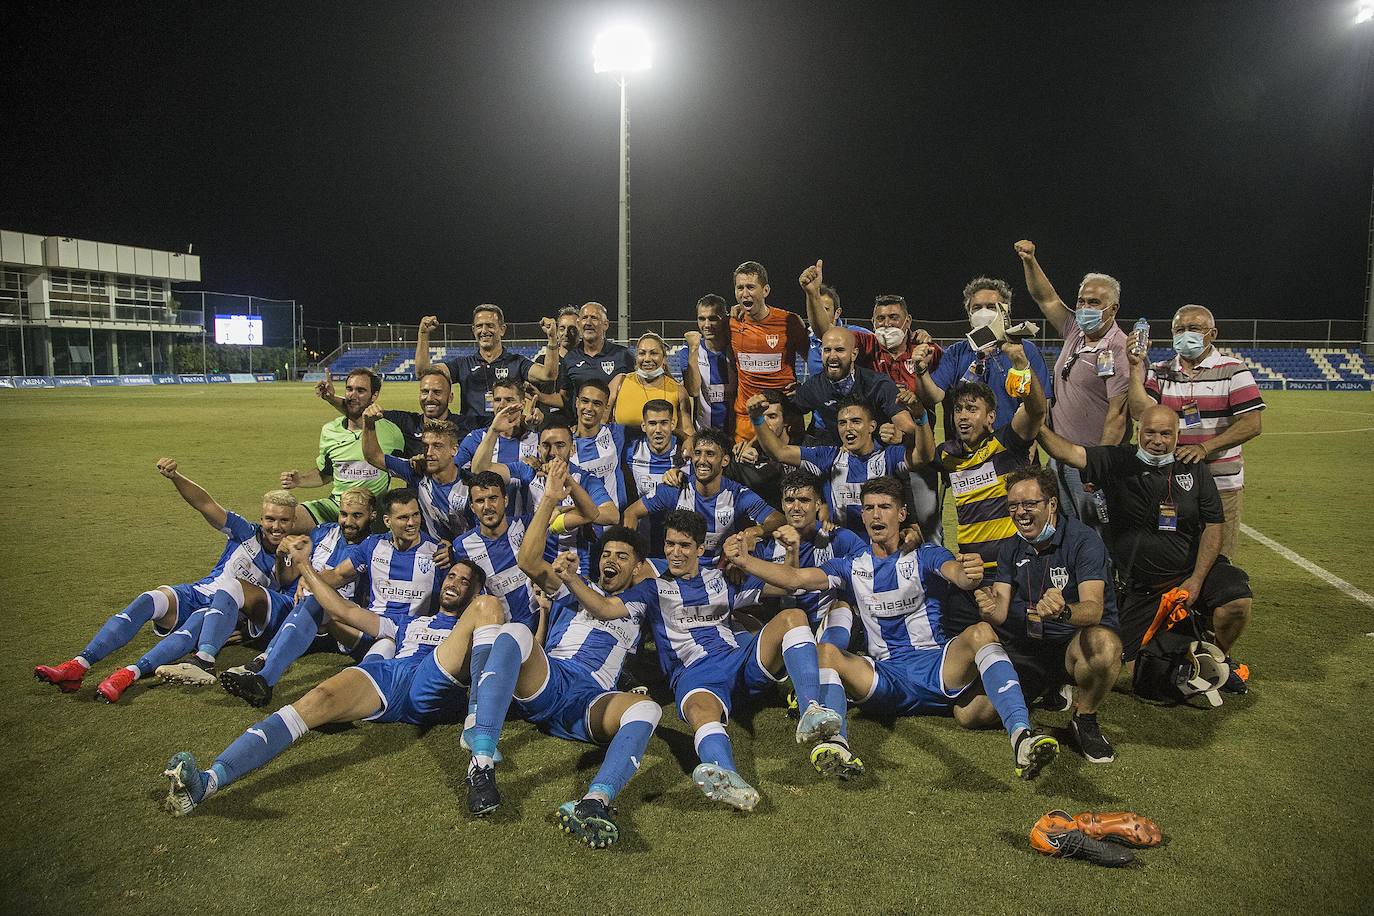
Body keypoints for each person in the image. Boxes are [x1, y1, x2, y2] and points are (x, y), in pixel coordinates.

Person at [723, 476, 1061, 782]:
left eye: (884, 507)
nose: (875, 515)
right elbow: (796, 579)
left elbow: (956, 574)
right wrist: (745, 561)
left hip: (939, 669)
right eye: (869, 508)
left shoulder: (927, 555)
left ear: (901, 514)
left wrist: (968, 575)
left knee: (980, 635)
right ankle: (836, 743)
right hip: (885, 678)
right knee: (825, 651)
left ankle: (1022, 737)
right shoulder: (851, 565)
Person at [159, 558, 500, 816]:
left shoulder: (477, 626)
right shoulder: (408, 623)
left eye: (465, 580)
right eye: (451, 576)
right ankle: (207, 783)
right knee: (316, 699)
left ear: (474, 590)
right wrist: (307, 567)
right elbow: (341, 608)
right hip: (393, 674)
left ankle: (477, 737)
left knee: (488, 609)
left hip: (437, 677)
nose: (454, 583)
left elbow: (504, 653)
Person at [461, 461, 661, 846]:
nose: (611, 561)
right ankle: (482, 762)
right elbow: (526, 561)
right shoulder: (574, 584)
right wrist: (551, 498)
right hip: (550, 679)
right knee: (516, 631)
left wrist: (570, 579)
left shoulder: (641, 600)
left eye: (622, 556)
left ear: (638, 568)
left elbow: (611, 608)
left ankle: (595, 800)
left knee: (648, 709)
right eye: (607, 554)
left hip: (591, 699)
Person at [593, 510, 842, 811]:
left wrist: (756, 559)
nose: (674, 552)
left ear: (700, 549)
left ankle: (811, 709)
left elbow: (788, 586)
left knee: (793, 617)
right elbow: (606, 609)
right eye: (669, 544)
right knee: (701, 711)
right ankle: (729, 777)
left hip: (737, 661)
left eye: (684, 545)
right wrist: (570, 579)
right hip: (695, 676)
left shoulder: (723, 578)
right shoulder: (652, 589)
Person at [34, 459, 296, 701]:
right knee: (150, 599)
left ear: (293, 522)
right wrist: (175, 477)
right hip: (196, 593)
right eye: (270, 519)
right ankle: (78, 665)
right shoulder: (244, 531)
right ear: (261, 519)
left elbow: (280, 606)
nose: (276, 526)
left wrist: (249, 634)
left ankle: (127, 675)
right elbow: (205, 504)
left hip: (219, 614)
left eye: (283, 521)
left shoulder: (294, 558)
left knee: (194, 625)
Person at [1037, 404, 1253, 689]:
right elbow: (1069, 453)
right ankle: (1184, 655)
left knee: (1236, 598)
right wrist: (1037, 426)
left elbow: (1214, 524)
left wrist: (1197, 580)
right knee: (1129, 671)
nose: (1157, 440)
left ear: (1178, 436)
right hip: (1141, 587)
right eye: (1150, 432)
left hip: (1189, 573)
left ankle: (1220, 660)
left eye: (1166, 434)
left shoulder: (1193, 467)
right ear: (1139, 432)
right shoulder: (1119, 460)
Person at [974, 467, 1123, 764]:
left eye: (1030, 504)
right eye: (1013, 505)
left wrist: (1064, 611)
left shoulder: (1084, 542)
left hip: (1072, 647)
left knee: (1105, 647)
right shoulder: (1010, 548)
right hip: (1029, 649)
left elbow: (1094, 608)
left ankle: (1085, 718)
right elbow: (1000, 613)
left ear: (1052, 504)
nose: (1021, 513)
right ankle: (1047, 687)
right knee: (975, 714)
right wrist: (987, 606)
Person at [218, 487, 378, 708]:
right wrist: (282, 556)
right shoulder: (322, 532)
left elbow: (339, 576)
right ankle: (216, 651)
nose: (348, 521)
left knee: (316, 600)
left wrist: (312, 578)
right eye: (343, 514)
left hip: (341, 623)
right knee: (237, 587)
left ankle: (263, 667)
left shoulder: (375, 545)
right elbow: (286, 579)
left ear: (373, 515)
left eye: (357, 515)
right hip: (301, 607)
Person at [1126, 304, 1264, 559]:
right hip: (1172, 482)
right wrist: (1135, 367)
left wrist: (1204, 448)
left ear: (1212, 333)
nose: (1184, 334)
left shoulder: (1234, 369)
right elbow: (1139, 412)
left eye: (1193, 329)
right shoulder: (1160, 370)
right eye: (1179, 329)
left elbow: (1252, 423)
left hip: (1221, 481)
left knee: (1218, 557)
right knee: (1173, 554)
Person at [933, 344, 1048, 637]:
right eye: (958, 409)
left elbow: (1036, 410)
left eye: (972, 409)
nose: (962, 416)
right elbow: (919, 457)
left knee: (1017, 641)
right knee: (959, 641)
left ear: (991, 417)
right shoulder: (948, 455)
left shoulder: (1008, 443)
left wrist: (1022, 367)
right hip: (970, 569)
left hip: (1012, 569)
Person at [1014, 240, 1131, 528]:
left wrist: (1098, 467)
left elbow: (1118, 415)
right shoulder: (1075, 331)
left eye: (1094, 303)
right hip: (1059, 456)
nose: (1085, 307)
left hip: (1088, 460)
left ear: (1113, 308)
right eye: (1082, 300)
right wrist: (1029, 260)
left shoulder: (1120, 349)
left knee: (1098, 533)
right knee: (1068, 531)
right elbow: (1047, 299)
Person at [749, 394, 927, 537]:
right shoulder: (827, 457)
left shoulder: (889, 456)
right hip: (841, 553)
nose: (848, 428)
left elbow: (924, 456)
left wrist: (920, 417)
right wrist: (757, 419)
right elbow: (779, 452)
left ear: (872, 426)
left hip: (880, 550)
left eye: (856, 421)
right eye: (843, 423)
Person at [472, 407, 618, 575]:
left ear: (572, 449)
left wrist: (564, 504)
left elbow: (611, 515)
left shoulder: (585, 480)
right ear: (538, 448)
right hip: (533, 568)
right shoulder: (527, 472)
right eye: (546, 446)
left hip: (575, 570)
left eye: (560, 445)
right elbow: (480, 470)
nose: (553, 452)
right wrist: (494, 430)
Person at [915, 277, 1052, 441]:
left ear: (1005, 311)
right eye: (977, 307)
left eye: (991, 307)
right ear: (969, 313)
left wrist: (1029, 448)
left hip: (1012, 451)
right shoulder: (955, 353)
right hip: (965, 455)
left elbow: (1039, 407)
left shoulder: (1026, 350)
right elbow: (934, 396)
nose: (983, 312)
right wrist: (922, 370)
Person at [623, 427, 783, 564]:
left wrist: (754, 532)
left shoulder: (737, 494)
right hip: (677, 571)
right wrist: (627, 553)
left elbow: (778, 519)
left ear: (725, 461)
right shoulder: (675, 488)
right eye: (698, 453)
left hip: (720, 575)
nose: (702, 460)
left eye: (710, 454)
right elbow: (631, 512)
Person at [281, 368, 404, 534]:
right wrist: (299, 480)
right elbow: (326, 474)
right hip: (337, 506)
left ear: (374, 396)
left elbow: (404, 469)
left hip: (373, 512)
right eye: (349, 389)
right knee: (286, 522)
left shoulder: (392, 432)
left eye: (361, 390)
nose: (353, 395)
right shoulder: (330, 431)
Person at [416, 304, 532, 436]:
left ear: (502, 329)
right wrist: (423, 334)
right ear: (473, 330)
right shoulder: (462, 364)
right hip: (470, 434)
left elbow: (548, 374)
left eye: (490, 325)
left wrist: (552, 339)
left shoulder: (517, 362)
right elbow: (422, 373)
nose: (484, 330)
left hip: (508, 433)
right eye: (479, 326)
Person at [789, 327, 918, 445]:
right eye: (827, 350)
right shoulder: (814, 386)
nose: (832, 356)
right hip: (838, 460)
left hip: (877, 459)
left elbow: (910, 429)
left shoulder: (878, 385)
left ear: (854, 354)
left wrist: (900, 436)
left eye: (840, 350)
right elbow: (787, 412)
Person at [361, 407, 469, 541]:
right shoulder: (416, 472)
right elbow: (373, 456)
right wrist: (369, 425)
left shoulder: (469, 482)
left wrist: (455, 550)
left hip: (465, 554)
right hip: (428, 552)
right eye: (425, 446)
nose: (429, 453)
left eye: (437, 446)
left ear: (454, 450)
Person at [729, 261, 808, 442]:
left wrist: (805, 390)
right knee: (747, 468)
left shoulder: (790, 321)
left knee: (790, 469)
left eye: (750, 287)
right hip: (747, 420)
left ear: (765, 290)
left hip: (785, 418)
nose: (744, 293)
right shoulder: (731, 323)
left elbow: (814, 360)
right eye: (739, 288)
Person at [316, 366, 458, 458]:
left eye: (437, 392)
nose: (430, 398)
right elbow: (361, 410)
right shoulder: (406, 423)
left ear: (450, 397)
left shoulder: (466, 425)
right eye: (425, 392)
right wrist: (331, 398)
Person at [529, 301, 636, 410]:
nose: (588, 322)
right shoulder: (570, 358)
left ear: (605, 324)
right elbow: (565, 398)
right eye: (584, 318)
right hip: (584, 424)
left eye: (594, 318)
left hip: (616, 425)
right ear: (579, 324)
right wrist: (539, 395)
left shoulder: (623, 355)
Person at [798, 260, 872, 383]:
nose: (818, 313)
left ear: (837, 313)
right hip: (818, 400)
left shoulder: (857, 334)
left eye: (825, 309)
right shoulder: (807, 338)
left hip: (851, 400)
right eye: (815, 308)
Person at [609, 332, 694, 438]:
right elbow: (602, 423)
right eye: (642, 353)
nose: (647, 359)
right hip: (622, 453)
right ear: (636, 357)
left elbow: (687, 432)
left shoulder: (678, 391)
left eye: (653, 353)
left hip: (663, 453)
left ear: (664, 358)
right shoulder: (619, 382)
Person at [454, 377, 540, 471]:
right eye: (497, 400)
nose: (502, 405)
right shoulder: (477, 438)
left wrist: (540, 467)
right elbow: (453, 471)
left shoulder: (537, 439)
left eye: (509, 400)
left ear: (522, 404)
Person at [724, 390, 791, 510]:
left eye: (772, 417)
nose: (765, 424)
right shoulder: (744, 457)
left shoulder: (806, 449)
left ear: (786, 420)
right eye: (761, 417)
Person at [570, 379, 630, 509]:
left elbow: (651, 426)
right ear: (577, 402)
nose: (589, 408)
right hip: (576, 521)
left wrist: (685, 437)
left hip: (613, 522)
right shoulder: (563, 441)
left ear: (606, 407)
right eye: (585, 401)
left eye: (597, 403)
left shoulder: (616, 433)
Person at [683, 294, 734, 437]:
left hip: (736, 436)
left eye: (713, 318)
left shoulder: (736, 350)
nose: (706, 325)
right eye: (701, 318)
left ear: (724, 319)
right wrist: (693, 350)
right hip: (704, 436)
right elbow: (693, 390)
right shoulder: (688, 352)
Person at [623, 399, 684, 506]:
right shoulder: (631, 451)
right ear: (643, 426)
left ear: (673, 425)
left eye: (664, 423)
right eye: (652, 423)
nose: (658, 430)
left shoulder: (684, 452)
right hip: (642, 519)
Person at [529, 306, 582, 409]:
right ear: (557, 331)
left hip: (573, 422)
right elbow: (529, 395)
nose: (566, 333)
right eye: (562, 328)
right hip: (545, 423)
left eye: (572, 329)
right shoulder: (542, 361)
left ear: (580, 331)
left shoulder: (586, 363)